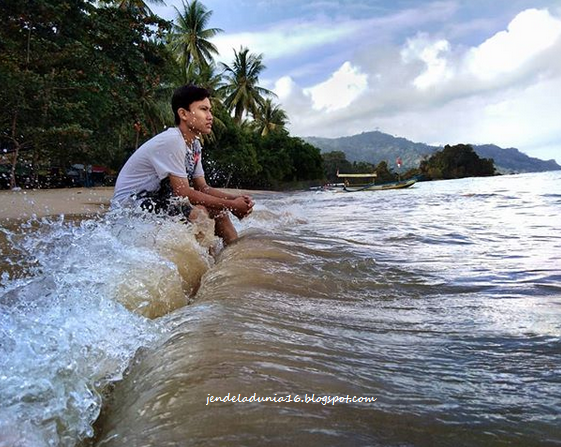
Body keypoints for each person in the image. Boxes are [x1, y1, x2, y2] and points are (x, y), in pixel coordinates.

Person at [112, 84, 254, 245]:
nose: (210, 116)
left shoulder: (194, 145)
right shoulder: (172, 140)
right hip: (131, 206)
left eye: (210, 110)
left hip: (157, 198)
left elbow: (202, 188)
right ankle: (205, 265)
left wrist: (235, 200)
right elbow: (183, 191)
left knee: (218, 211)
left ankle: (228, 262)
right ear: (183, 114)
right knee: (200, 214)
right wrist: (232, 205)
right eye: (203, 109)